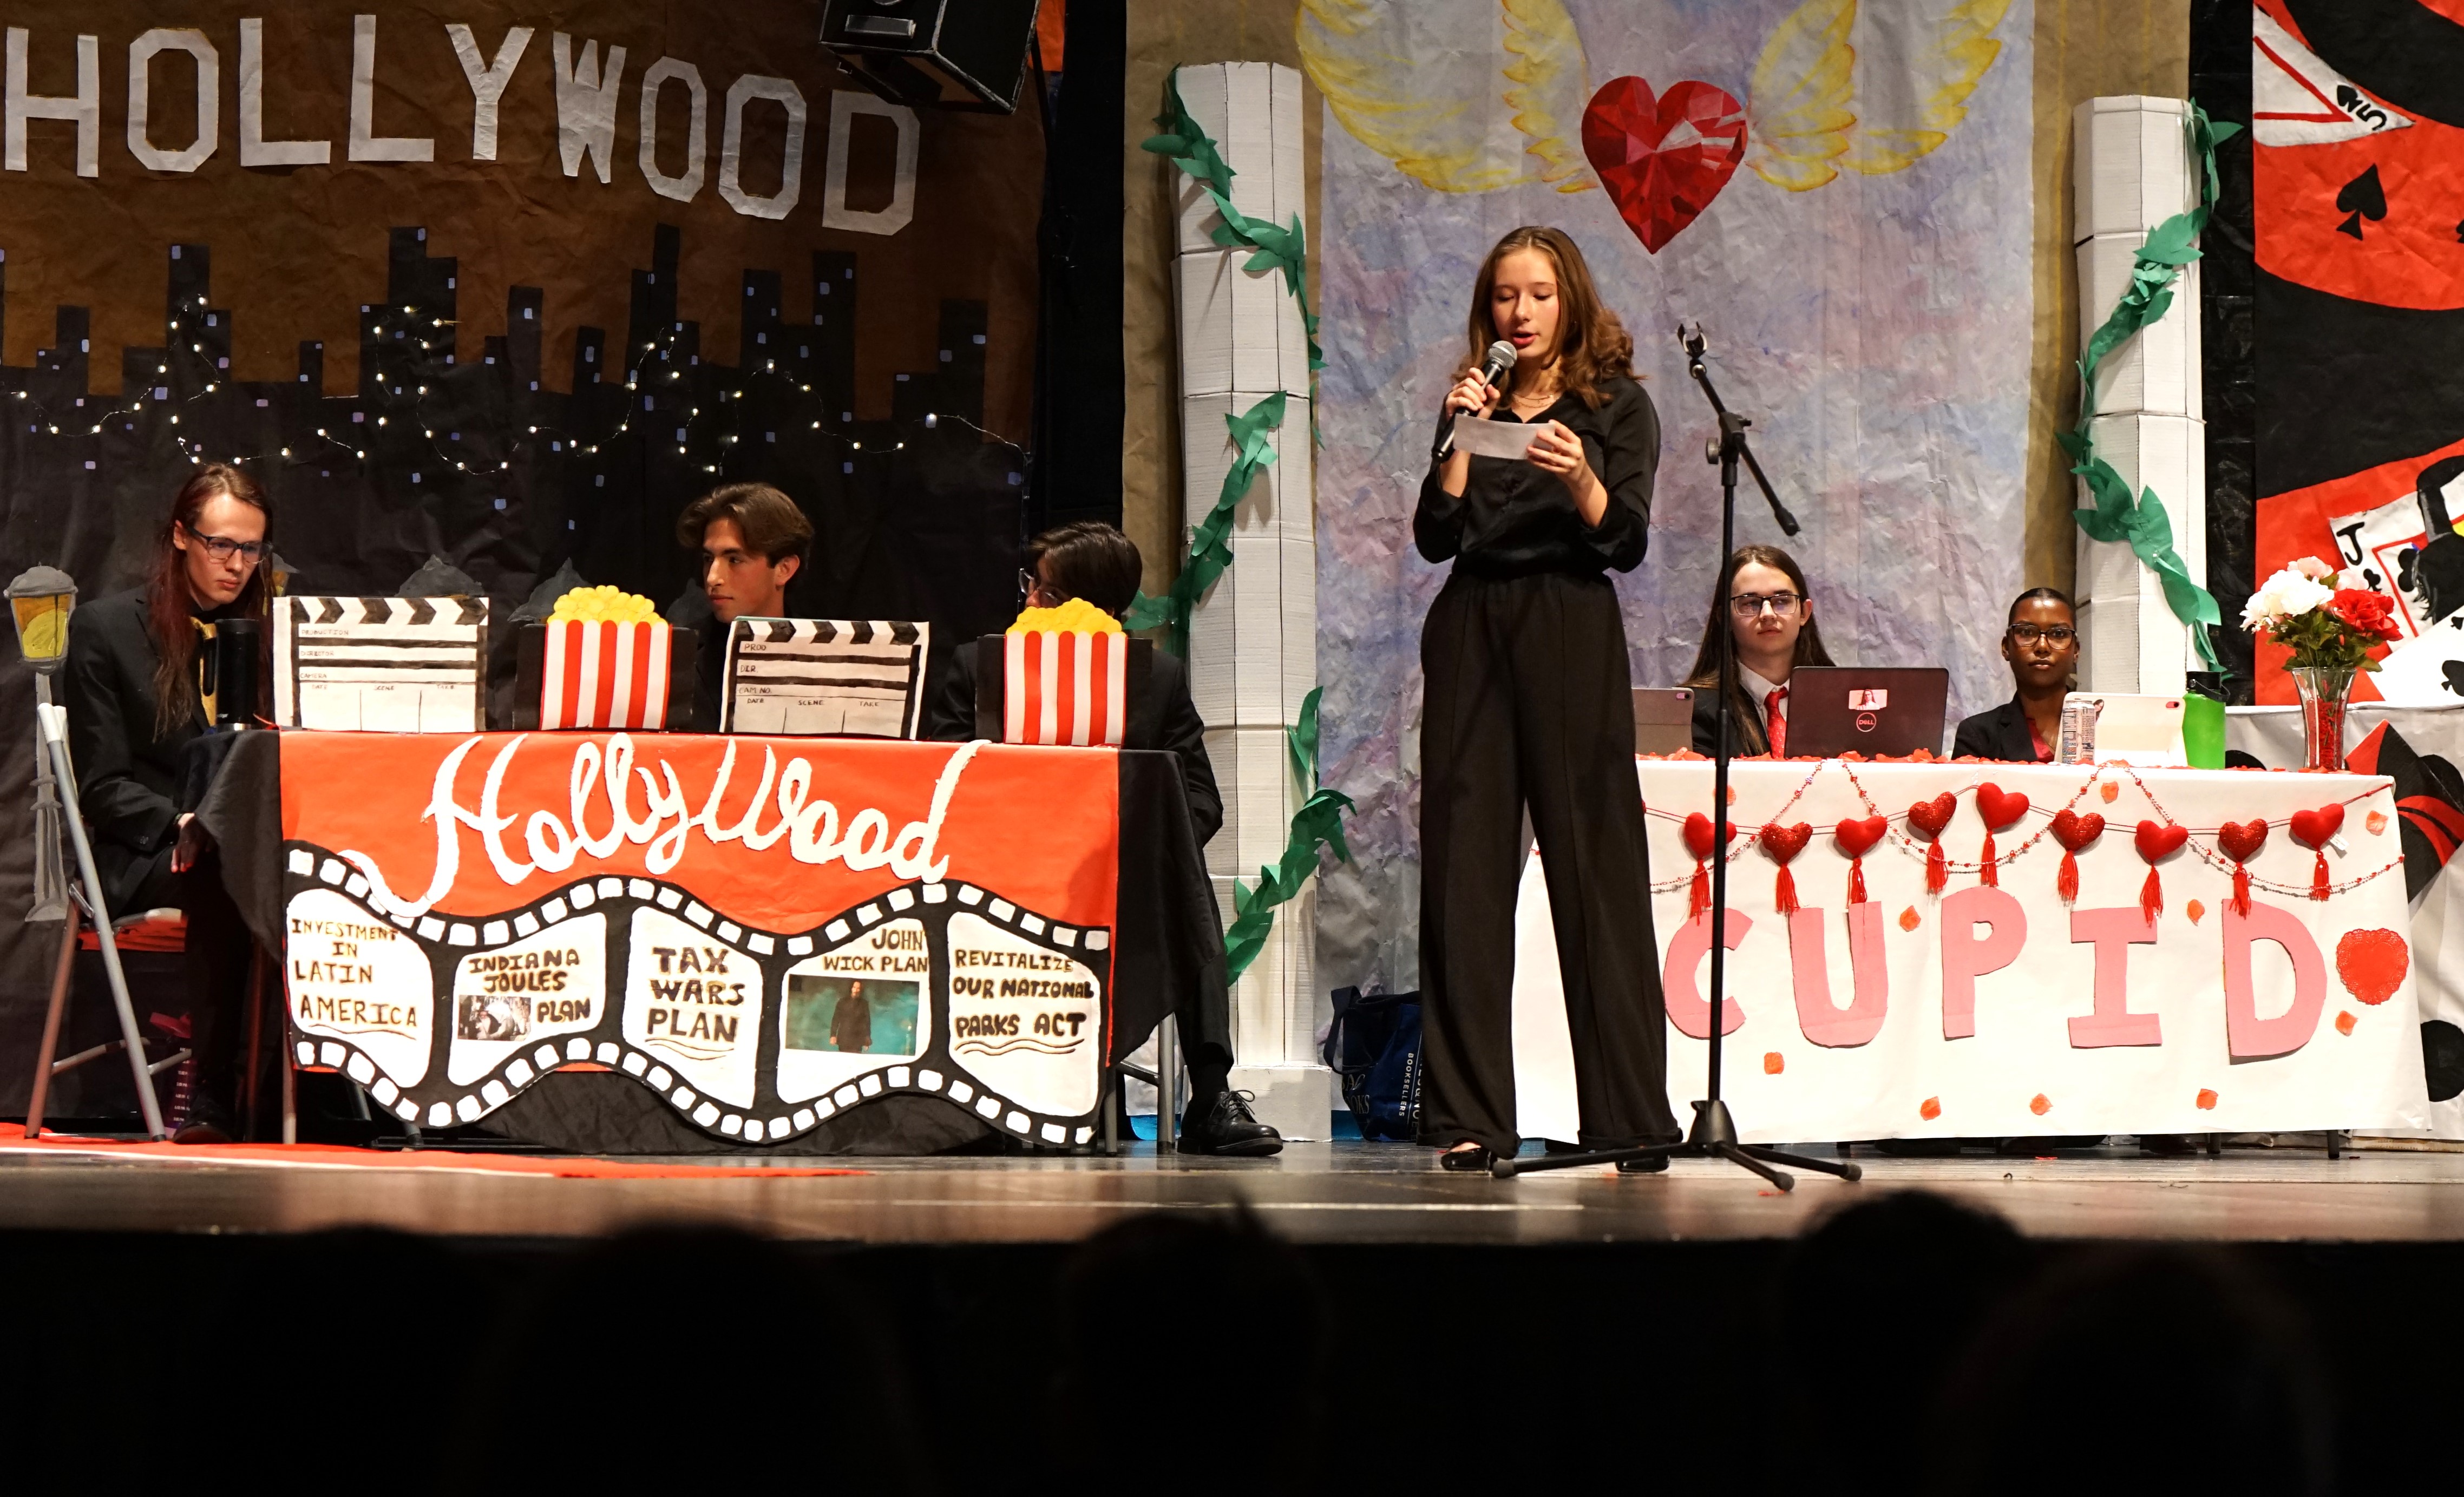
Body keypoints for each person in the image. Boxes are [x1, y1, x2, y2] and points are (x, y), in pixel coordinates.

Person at [1414, 224, 1677, 1170]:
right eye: (1501, 297)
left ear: (1569, 299)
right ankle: (1468, 1116)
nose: (1517, 314)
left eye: (1535, 295)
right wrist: (1458, 434)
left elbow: (1626, 541)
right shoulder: (1473, 399)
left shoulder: (1614, 406)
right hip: (1472, 622)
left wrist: (1581, 481)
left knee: (1592, 864)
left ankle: (1629, 1118)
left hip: (1567, 619)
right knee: (1464, 870)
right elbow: (1435, 534)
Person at [924, 521, 1282, 1157]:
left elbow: (1201, 800)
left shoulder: (1157, 678)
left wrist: (1141, 845)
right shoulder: (980, 666)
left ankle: (1209, 1094)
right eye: (1032, 586)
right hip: (998, 868)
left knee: (1187, 883)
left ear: (1104, 608)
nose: (1031, 601)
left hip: (1117, 875)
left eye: (1051, 594)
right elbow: (937, 774)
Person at [62, 464, 271, 1143]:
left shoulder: (270, 634)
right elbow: (101, 785)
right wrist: (182, 821)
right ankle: (215, 1093)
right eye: (221, 545)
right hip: (147, 850)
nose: (237, 565)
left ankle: (322, 1089)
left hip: (255, 844)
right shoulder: (107, 630)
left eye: (251, 549)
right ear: (181, 537)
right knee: (220, 869)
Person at [673, 483, 811, 730]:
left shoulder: (822, 657)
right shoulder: (675, 656)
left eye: (734, 559)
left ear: (784, 569)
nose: (712, 578)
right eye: (708, 559)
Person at [1683, 544, 1836, 757]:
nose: (1768, 614)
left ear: (1804, 613)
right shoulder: (1693, 710)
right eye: (1750, 603)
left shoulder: (1842, 700)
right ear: (1724, 618)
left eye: (1782, 601)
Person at [1952, 587, 2078, 761]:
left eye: (2059, 634)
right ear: (2006, 647)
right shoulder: (1979, 735)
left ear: (2076, 651)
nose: (2043, 646)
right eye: (2027, 632)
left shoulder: (2109, 725)